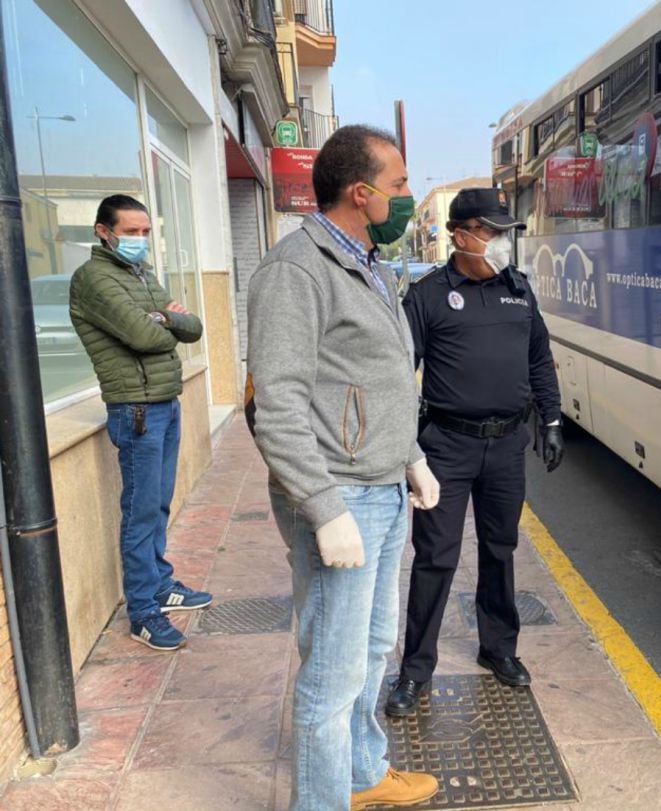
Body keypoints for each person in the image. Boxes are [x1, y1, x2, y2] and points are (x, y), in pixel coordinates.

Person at [246, 125, 440, 811]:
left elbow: (379, 378)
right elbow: (279, 404)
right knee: (330, 673)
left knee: (372, 649)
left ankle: (362, 775)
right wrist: (324, 509)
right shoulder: (297, 270)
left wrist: (410, 457)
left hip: (383, 488)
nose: (407, 198)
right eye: (399, 186)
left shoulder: (373, 265)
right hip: (341, 495)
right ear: (361, 193)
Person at [385, 188, 564, 718]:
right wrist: (407, 448)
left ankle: (498, 648)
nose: (500, 242)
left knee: (500, 549)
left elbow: (539, 359)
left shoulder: (519, 290)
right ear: (458, 234)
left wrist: (550, 421)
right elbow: (396, 374)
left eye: (504, 232)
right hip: (447, 445)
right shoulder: (428, 295)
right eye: (490, 231)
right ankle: (415, 670)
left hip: (508, 444)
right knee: (435, 558)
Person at [68, 195, 212, 652]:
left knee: (159, 504)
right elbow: (145, 335)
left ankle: (160, 584)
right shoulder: (93, 279)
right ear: (103, 231)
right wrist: (166, 317)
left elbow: (193, 328)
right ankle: (144, 613)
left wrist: (165, 316)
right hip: (135, 409)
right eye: (131, 232)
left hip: (163, 401)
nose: (140, 240)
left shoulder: (139, 274)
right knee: (140, 511)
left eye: (146, 232)